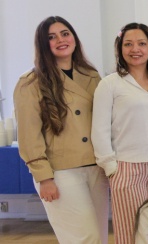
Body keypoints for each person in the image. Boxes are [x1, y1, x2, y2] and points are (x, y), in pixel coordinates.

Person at [14, 16, 109, 243]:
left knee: (100, 236)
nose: (60, 40)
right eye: (51, 37)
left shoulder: (91, 75)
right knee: (83, 238)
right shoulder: (30, 82)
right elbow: (29, 135)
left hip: (96, 167)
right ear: (42, 44)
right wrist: (44, 178)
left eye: (65, 33)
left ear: (74, 38)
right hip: (60, 172)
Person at [92, 22, 148, 244]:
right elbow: (99, 130)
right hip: (126, 168)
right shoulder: (109, 84)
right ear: (120, 49)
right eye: (128, 44)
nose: (135, 49)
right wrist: (111, 168)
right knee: (130, 232)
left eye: (141, 43)